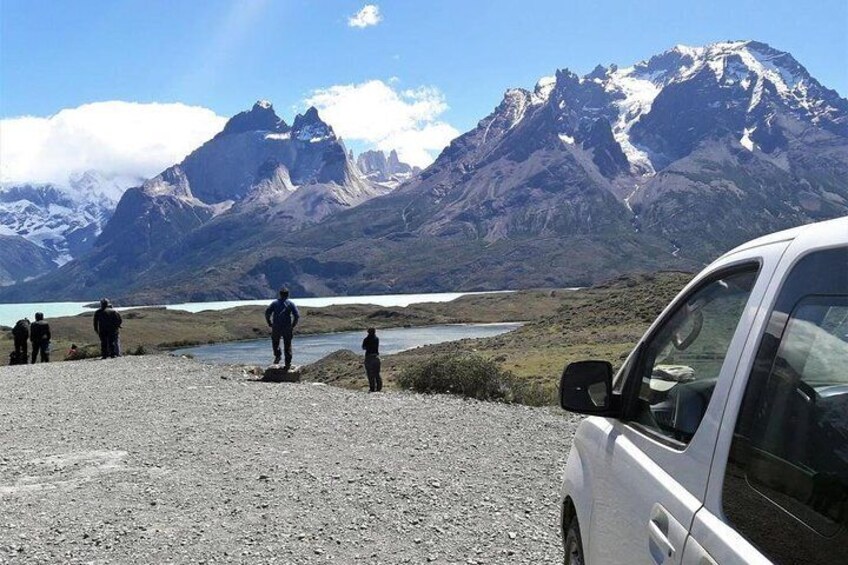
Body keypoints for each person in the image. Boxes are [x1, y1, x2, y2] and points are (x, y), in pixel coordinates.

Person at [264, 287, 300, 369]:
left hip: (276, 326)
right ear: (288, 294)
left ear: (280, 294)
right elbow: (297, 316)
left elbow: (267, 313)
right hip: (287, 327)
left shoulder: (274, 303)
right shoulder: (290, 304)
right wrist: (293, 325)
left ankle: (277, 356)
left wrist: (269, 322)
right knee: (287, 345)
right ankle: (288, 363)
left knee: (275, 342)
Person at [362, 327, 382, 392]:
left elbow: (363, 347)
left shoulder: (366, 339)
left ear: (368, 332)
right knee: (377, 374)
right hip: (376, 357)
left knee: (370, 374)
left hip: (368, 357)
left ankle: (372, 388)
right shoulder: (377, 339)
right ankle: (379, 388)